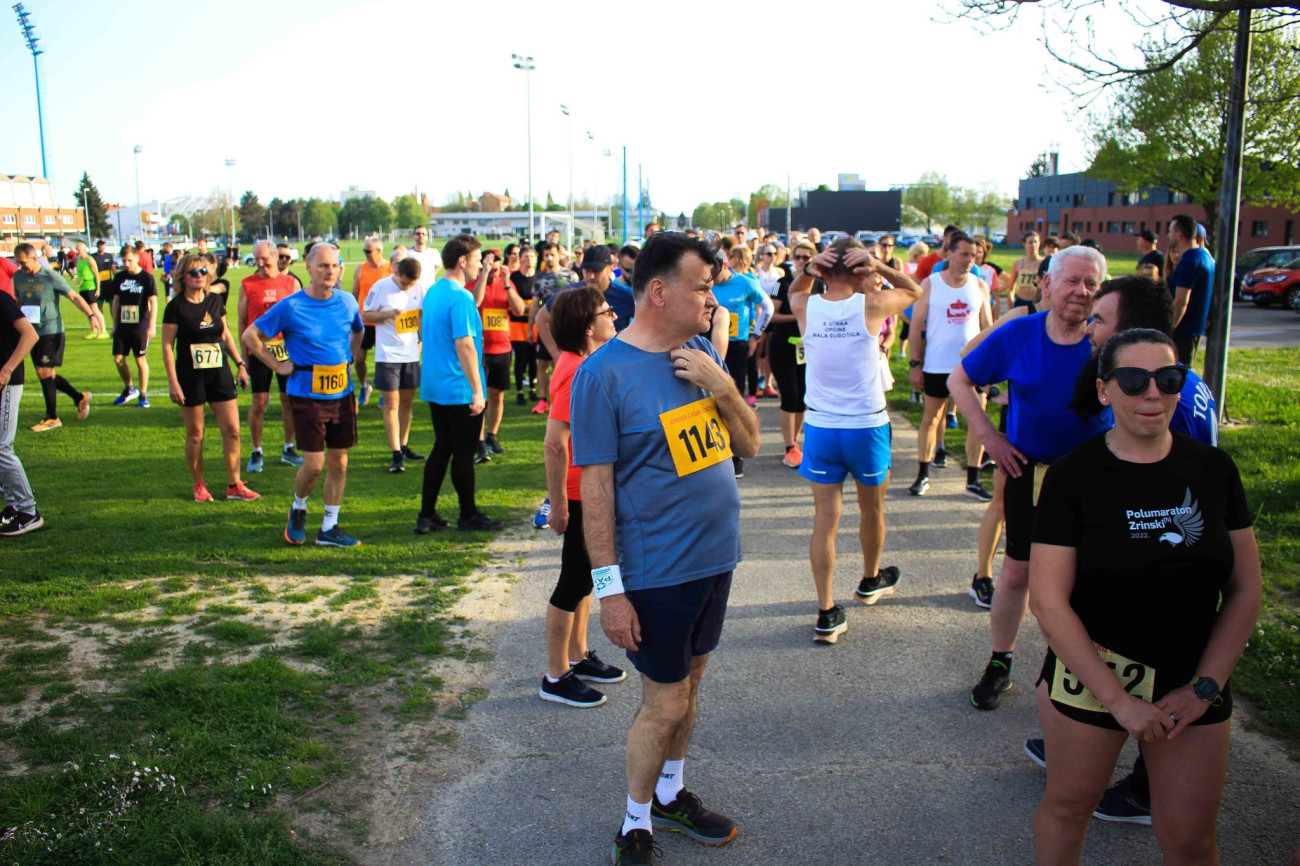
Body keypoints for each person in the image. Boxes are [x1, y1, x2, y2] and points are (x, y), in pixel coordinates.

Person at [1029, 327, 1260, 865]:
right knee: (1069, 807)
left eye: (1168, 378)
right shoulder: (1072, 477)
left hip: (1191, 679)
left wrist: (1206, 686)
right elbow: (1048, 601)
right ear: (1105, 390)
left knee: (1191, 838)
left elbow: (1246, 589)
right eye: (1133, 380)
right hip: (1095, 676)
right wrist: (1118, 700)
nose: (1152, 393)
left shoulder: (1213, 469)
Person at [570, 231, 759, 863]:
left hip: (715, 557)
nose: (713, 299)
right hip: (658, 569)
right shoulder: (602, 375)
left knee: (692, 682)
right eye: (703, 287)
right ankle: (635, 821)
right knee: (666, 700)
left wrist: (722, 386)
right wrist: (609, 591)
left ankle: (672, 794)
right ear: (659, 290)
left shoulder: (700, 352)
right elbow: (593, 491)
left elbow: (750, 445)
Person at [948, 245, 1109, 709]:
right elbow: (961, 379)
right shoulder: (1019, 333)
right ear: (1047, 284)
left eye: (1091, 284)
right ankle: (1001, 659)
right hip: (1030, 473)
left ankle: (1078, 669)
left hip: (1093, 480)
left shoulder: (1107, 342)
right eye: (1072, 281)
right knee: (1017, 572)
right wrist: (991, 440)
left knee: (1089, 577)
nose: (1081, 292)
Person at [788, 238, 921, 643]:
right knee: (872, 510)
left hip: (823, 428)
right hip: (866, 426)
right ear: (861, 270)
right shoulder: (872, 305)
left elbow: (794, 290)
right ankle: (869, 579)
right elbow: (915, 291)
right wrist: (879, 265)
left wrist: (809, 268)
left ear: (825, 270)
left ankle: (826, 611)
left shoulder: (806, 305)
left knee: (824, 522)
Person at [241, 243, 365, 548]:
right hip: (306, 395)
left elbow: (359, 331)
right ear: (308, 268)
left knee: (340, 462)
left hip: (342, 394)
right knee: (314, 465)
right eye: (323, 266)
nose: (330, 271)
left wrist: (348, 358)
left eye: (335, 266)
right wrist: (277, 365)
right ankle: (298, 507)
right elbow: (250, 336)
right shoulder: (291, 306)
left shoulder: (348, 302)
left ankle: (329, 527)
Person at [539, 286, 626, 707]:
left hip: (590, 490)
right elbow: (555, 443)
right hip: (577, 494)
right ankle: (555, 675)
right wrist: (557, 505)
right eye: (607, 312)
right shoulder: (575, 370)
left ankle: (577, 655)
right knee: (572, 583)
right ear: (589, 327)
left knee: (589, 576)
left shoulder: (583, 362)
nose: (615, 316)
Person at [415, 234, 503, 534]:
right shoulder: (459, 297)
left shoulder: (436, 291)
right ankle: (469, 514)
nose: (481, 266)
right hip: (458, 388)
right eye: (478, 260)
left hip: (436, 385)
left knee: (442, 448)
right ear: (462, 261)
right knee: (464, 453)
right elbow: (465, 344)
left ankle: (427, 514)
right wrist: (478, 390)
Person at [161, 254, 259, 503]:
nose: (200, 276)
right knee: (196, 433)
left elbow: (225, 336)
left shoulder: (215, 301)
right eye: (194, 272)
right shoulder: (175, 307)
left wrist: (240, 364)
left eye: (203, 271)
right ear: (183, 276)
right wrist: (173, 382)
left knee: (233, 431)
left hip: (219, 373)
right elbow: (166, 346)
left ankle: (235, 485)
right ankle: (199, 486)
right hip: (190, 375)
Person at [907, 232, 993, 501]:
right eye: (965, 254)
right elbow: (915, 326)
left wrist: (990, 367)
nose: (970, 259)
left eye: (974, 254)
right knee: (931, 418)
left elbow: (988, 330)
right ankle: (922, 474)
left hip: (971, 368)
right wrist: (915, 364)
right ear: (950, 254)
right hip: (936, 365)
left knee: (978, 422)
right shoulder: (931, 284)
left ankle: (973, 479)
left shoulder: (979, 286)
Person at [12, 243, 101, 432]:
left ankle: (52, 417)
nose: (21, 267)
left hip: (51, 330)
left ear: (34, 258)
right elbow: (19, 301)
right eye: (18, 263)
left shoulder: (50, 276)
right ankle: (79, 398)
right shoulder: (18, 276)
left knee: (44, 372)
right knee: (46, 373)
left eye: (24, 262)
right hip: (31, 332)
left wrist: (91, 315)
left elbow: (74, 297)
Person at [239, 241, 303, 473]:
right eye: (256, 259)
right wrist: (244, 355)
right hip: (260, 349)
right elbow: (242, 320)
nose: (260, 264)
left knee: (289, 400)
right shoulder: (248, 284)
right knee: (260, 402)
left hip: (287, 350)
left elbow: (300, 318)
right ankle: (256, 451)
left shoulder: (291, 283)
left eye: (264, 259)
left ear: (276, 256)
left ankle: (289, 448)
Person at [362, 256, 426, 473]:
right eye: (405, 282)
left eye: (412, 283)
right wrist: (386, 314)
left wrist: (421, 340)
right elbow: (365, 314)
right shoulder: (381, 287)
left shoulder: (418, 288)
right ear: (397, 273)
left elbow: (420, 316)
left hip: (410, 355)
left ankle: (404, 444)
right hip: (387, 355)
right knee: (391, 404)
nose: (408, 286)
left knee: (407, 403)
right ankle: (395, 453)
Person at [711, 247, 774, 462]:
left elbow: (768, 307)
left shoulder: (746, 283)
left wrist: (756, 335)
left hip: (737, 347)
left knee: (734, 399)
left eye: (714, 271)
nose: (710, 277)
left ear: (726, 266)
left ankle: (736, 455)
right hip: (708, 345)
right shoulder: (705, 284)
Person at [768, 241, 820, 468]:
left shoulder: (820, 284)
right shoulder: (782, 283)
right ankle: (789, 446)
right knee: (789, 395)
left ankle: (796, 443)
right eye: (797, 257)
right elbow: (772, 315)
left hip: (809, 348)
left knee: (802, 398)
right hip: (783, 345)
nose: (801, 262)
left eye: (806, 258)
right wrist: (797, 317)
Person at [473, 248, 525, 462]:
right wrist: (484, 275)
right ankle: (479, 442)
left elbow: (520, 310)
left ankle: (491, 435)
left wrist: (506, 283)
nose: (493, 273)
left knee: (497, 395)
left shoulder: (507, 283)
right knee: (479, 398)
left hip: (502, 349)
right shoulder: (475, 283)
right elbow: (475, 302)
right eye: (490, 269)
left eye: (495, 269)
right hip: (480, 351)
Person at [0, 284, 42, 536]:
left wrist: (6, 369)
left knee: (2, 447)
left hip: (7, 381)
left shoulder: (1, 299)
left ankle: (29, 512)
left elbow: (30, 335)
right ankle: (13, 506)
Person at [106, 245, 158, 409]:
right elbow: (115, 301)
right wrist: (114, 324)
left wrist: (152, 325)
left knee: (140, 359)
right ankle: (129, 388)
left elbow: (153, 302)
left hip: (140, 325)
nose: (126, 264)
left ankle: (143, 394)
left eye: (129, 260)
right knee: (118, 358)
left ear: (137, 258)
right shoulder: (120, 277)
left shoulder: (147, 278)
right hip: (123, 324)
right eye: (123, 261)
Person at [1167, 214, 1214, 365]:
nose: (1168, 235)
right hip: (1193, 328)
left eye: (1170, 231)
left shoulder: (1189, 260)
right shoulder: (1204, 256)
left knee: (1178, 374)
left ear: (1179, 235)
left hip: (1184, 330)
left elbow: (1181, 301)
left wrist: (1169, 329)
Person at [351, 237, 391, 407]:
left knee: (384, 360)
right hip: (364, 321)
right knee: (359, 358)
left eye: (369, 251)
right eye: (365, 251)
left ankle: (384, 391)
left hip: (383, 321)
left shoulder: (390, 269)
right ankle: (364, 385)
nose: (366, 254)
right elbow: (354, 294)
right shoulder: (360, 269)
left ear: (379, 251)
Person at [509, 244, 538, 405]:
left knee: (533, 357)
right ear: (520, 258)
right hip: (517, 323)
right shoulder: (515, 278)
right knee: (520, 357)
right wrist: (526, 307)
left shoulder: (539, 278)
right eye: (526, 256)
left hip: (534, 323)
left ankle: (533, 389)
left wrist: (532, 309)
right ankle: (520, 391)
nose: (529, 259)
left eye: (532, 256)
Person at [72, 242, 103, 339]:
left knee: (94, 309)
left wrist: (98, 288)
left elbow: (96, 274)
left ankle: (103, 330)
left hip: (90, 287)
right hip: (83, 288)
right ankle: (93, 330)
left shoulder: (89, 260)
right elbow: (82, 274)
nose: (77, 251)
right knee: (88, 311)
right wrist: (79, 281)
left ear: (84, 249)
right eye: (76, 249)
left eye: (79, 249)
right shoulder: (80, 260)